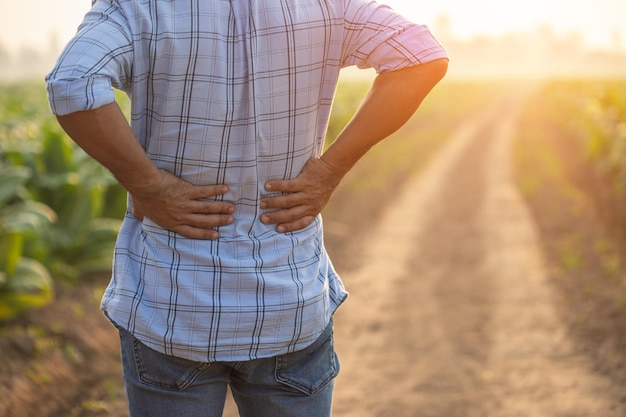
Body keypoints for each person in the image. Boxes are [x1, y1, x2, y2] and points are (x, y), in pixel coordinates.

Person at [46, 0, 448, 416]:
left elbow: (73, 82)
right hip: (288, 301)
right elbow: (421, 54)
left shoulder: (141, 7)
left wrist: (149, 186)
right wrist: (330, 170)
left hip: (173, 305)